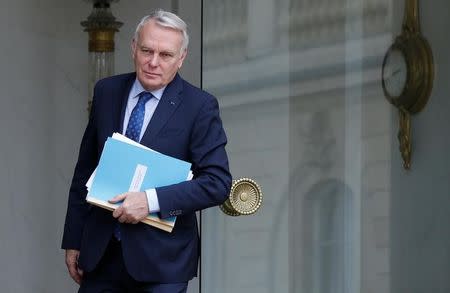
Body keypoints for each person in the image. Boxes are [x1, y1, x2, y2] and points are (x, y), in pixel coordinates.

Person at [61, 9, 232, 292]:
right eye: (146, 50)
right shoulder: (106, 91)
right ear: (133, 48)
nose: (153, 62)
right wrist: (73, 240)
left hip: (163, 263)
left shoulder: (199, 106)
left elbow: (217, 183)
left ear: (181, 58)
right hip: (101, 254)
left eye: (165, 55)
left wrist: (150, 201)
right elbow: (86, 169)